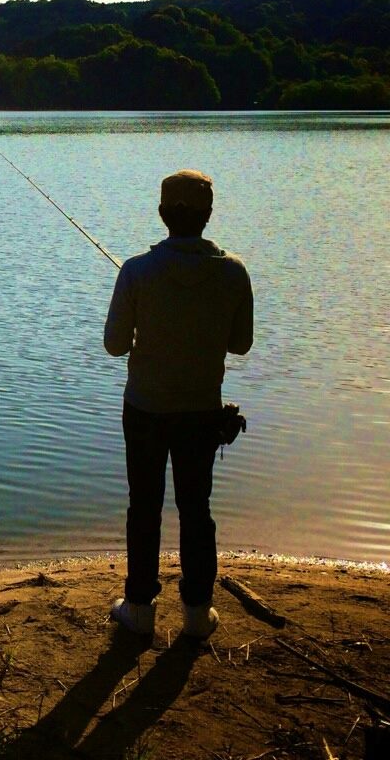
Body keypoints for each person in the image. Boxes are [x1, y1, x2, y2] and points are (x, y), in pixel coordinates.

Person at [103, 169, 253, 639]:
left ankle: (139, 609)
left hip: (145, 409)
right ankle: (197, 614)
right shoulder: (234, 271)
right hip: (201, 411)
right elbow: (241, 344)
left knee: (144, 507)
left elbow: (114, 345)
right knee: (196, 508)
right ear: (208, 214)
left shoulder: (136, 270)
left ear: (162, 213)